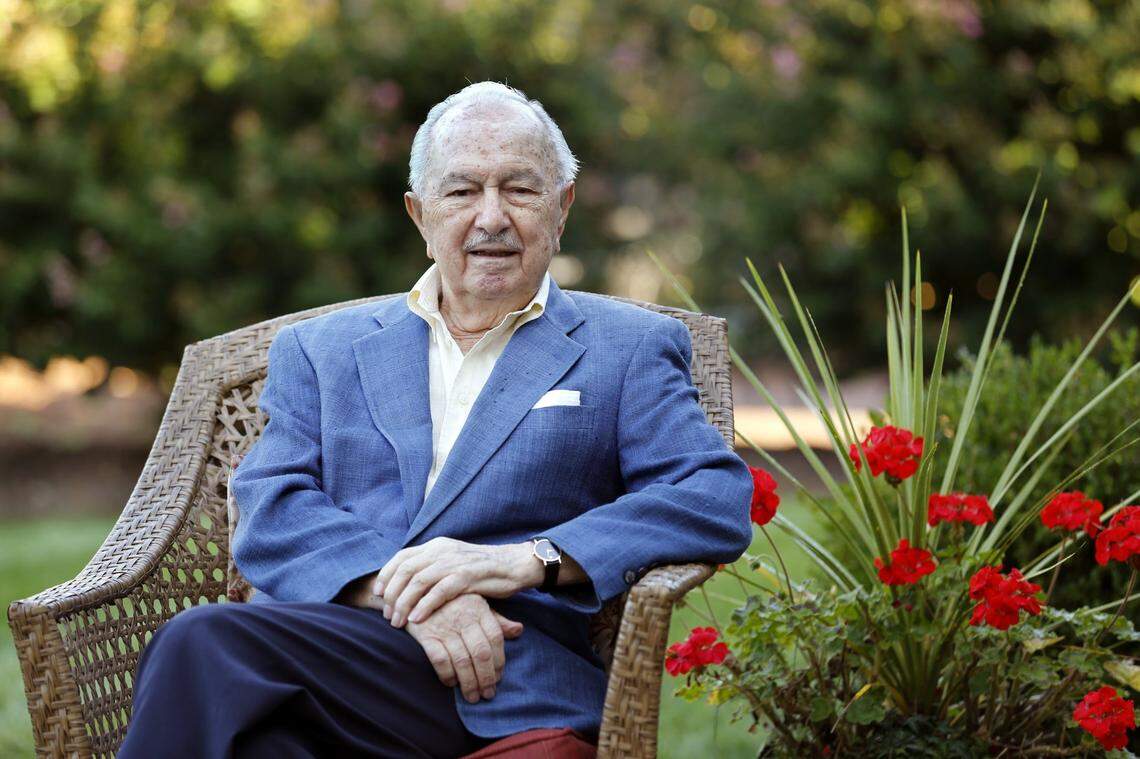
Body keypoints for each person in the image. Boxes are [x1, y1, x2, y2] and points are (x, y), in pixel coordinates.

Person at [117, 80, 754, 758]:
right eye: (461, 192)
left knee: (199, 639)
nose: (491, 217)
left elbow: (709, 496)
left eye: (520, 189)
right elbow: (271, 506)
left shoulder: (623, 347)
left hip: (503, 675)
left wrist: (524, 560)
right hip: (336, 660)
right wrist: (406, 591)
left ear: (562, 207)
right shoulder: (321, 351)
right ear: (420, 215)